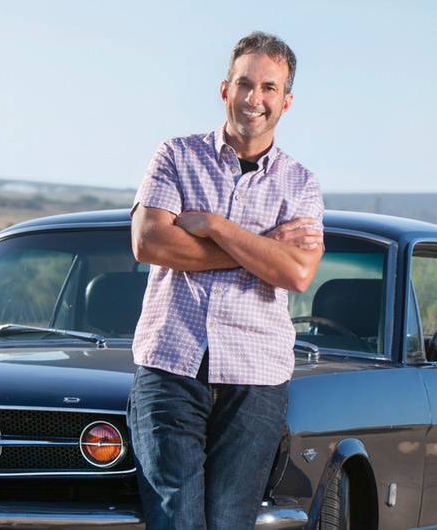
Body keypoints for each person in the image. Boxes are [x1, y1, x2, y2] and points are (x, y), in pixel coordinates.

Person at [127, 31, 325, 530]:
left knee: (230, 522)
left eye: (268, 88)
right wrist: (261, 248)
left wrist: (218, 227)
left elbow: (298, 272)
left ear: (286, 101)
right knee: (176, 520)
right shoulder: (175, 155)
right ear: (224, 89)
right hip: (170, 363)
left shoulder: (301, 184)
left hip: (255, 379)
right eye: (244, 84)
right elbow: (150, 244)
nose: (254, 99)